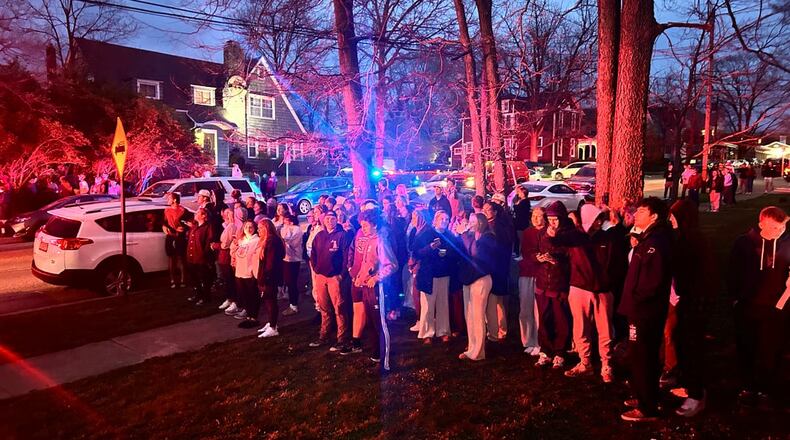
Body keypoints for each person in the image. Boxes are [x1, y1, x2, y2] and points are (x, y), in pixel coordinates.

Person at [551, 204, 622, 383]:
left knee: (605, 329)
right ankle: (585, 362)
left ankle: (606, 364)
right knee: (581, 327)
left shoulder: (606, 238)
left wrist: (608, 284)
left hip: (603, 291)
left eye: (601, 218)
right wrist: (554, 232)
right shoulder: (577, 237)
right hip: (580, 288)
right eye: (596, 218)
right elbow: (559, 240)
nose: (599, 222)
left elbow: (614, 262)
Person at [618, 197, 672, 422]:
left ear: (654, 217)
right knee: (641, 355)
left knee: (643, 356)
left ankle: (647, 406)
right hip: (640, 309)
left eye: (641, 211)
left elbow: (652, 282)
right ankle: (645, 395)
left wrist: (636, 302)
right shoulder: (647, 239)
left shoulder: (655, 244)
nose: (635, 215)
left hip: (645, 312)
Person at [728, 206, 789, 407]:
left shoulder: (787, 244)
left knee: (771, 348)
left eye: (782, 228)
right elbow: (733, 272)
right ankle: (747, 384)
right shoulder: (744, 244)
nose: (778, 232)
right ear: (761, 223)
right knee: (747, 346)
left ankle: (766, 386)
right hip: (748, 305)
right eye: (774, 228)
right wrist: (736, 298)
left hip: (776, 308)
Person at [668, 199, 715, 417]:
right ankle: (688, 384)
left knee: (692, 346)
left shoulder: (693, 240)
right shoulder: (684, 239)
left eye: (673, 216)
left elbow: (697, 274)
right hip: (686, 300)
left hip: (695, 302)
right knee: (681, 342)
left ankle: (697, 395)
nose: (670, 220)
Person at [346, 208, 398, 366]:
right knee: (371, 322)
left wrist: (376, 277)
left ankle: (386, 358)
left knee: (379, 322)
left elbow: (392, 265)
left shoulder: (380, 241)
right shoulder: (366, 239)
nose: (363, 228)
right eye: (361, 225)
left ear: (375, 225)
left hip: (377, 288)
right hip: (365, 287)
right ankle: (376, 351)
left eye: (366, 225)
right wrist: (359, 278)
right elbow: (365, 264)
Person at [534, 202, 572, 369]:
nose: (552, 223)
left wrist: (558, 259)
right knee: (544, 318)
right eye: (549, 219)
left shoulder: (568, 234)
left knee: (561, 319)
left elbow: (570, 255)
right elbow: (535, 250)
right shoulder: (542, 232)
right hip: (543, 281)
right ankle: (545, 350)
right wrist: (538, 257)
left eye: (555, 219)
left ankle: (559, 352)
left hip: (559, 282)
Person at [413, 210, 460, 343]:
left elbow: (456, 253)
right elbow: (416, 253)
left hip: (444, 274)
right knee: (428, 305)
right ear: (435, 220)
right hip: (429, 275)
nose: (444, 221)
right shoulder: (426, 234)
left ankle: (443, 331)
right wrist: (430, 247)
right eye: (442, 219)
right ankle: (427, 333)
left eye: (446, 219)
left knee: (443, 303)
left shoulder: (450, 236)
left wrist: (448, 254)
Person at [309, 210, 352, 350]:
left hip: (335, 277)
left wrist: (341, 275)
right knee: (324, 308)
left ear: (336, 220)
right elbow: (313, 253)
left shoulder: (342, 236)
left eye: (332, 218)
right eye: (327, 218)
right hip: (321, 277)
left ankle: (342, 338)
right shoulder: (320, 235)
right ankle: (324, 335)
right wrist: (316, 269)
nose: (329, 221)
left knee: (339, 308)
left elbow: (347, 257)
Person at [458, 213, 496, 360]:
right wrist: (460, 234)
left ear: (480, 222)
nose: (470, 223)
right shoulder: (474, 237)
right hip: (469, 279)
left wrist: (464, 235)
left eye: (473, 221)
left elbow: (476, 253)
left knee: (478, 315)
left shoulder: (488, 238)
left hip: (481, 279)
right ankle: (472, 346)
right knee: (470, 315)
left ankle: (479, 351)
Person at [483, 200, 513, 341]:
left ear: (494, 212)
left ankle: (501, 329)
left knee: (497, 300)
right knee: (492, 300)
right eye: (484, 209)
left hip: (497, 268)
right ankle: (494, 328)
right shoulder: (487, 225)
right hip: (491, 267)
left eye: (488, 209)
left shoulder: (498, 227)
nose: (484, 211)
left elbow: (499, 249)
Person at [518, 207, 544, 356]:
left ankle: (540, 341)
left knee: (538, 310)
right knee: (525, 309)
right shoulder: (528, 233)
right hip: (527, 273)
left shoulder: (548, 232)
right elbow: (526, 251)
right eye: (534, 215)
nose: (536, 218)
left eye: (539, 216)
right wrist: (534, 257)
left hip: (540, 274)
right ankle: (527, 340)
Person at [255, 218, 285, 337]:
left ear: (266, 228)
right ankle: (271, 322)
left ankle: (273, 327)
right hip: (267, 275)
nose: (258, 230)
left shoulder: (272, 241)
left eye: (260, 228)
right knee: (268, 300)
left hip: (269, 276)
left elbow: (270, 263)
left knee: (271, 300)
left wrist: (265, 277)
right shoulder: (267, 240)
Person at [230, 221, 260, 325]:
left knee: (252, 295)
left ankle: (253, 316)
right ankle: (248, 314)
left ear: (255, 228)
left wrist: (254, 270)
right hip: (240, 272)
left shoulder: (257, 240)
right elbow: (234, 254)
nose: (248, 228)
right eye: (246, 226)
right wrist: (234, 244)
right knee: (244, 295)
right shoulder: (242, 240)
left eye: (251, 226)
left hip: (250, 273)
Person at [185, 208, 215, 306]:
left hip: (201, 258)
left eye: (198, 213)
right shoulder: (195, 226)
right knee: (194, 278)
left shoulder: (208, 227)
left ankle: (206, 297)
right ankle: (198, 294)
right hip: (192, 257)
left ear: (203, 216)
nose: (195, 214)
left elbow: (208, 242)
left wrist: (205, 255)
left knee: (204, 278)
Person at [215, 209, 239, 314]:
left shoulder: (232, 227)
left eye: (227, 214)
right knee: (227, 279)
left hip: (227, 256)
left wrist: (215, 245)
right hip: (223, 256)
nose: (224, 216)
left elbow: (225, 244)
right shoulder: (227, 226)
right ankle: (229, 298)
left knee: (230, 279)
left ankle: (234, 300)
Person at [163, 192, 188, 288]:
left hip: (180, 237)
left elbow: (187, 223)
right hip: (170, 236)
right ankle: (172, 280)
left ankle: (183, 280)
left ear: (174, 200)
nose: (167, 200)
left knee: (182, 258)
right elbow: (164, 223)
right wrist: (164, 228)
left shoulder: (183, 210)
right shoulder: (166, 211)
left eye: (169, 198)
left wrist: (184, 228)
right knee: (171, 258)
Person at [280, 213, 303, 317]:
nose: (285, 222)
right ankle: (291, 301)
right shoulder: (284, 228)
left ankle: (294, 305)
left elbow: (292, 242)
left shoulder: (296, 229)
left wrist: (286, 231)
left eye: (286, 220)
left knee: (292, 282)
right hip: (286, 259)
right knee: (288, 282)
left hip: (294, 259)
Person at [513, 185, 532, 259]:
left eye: (520, 193)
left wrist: (516, 205)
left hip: (521, 222)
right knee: (516, 237)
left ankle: (520, 253)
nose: (519, 194)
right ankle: (516, 251)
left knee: (520, 238)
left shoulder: (525, 202)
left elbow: (519, 209)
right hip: (517, 221)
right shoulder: (521, 201)